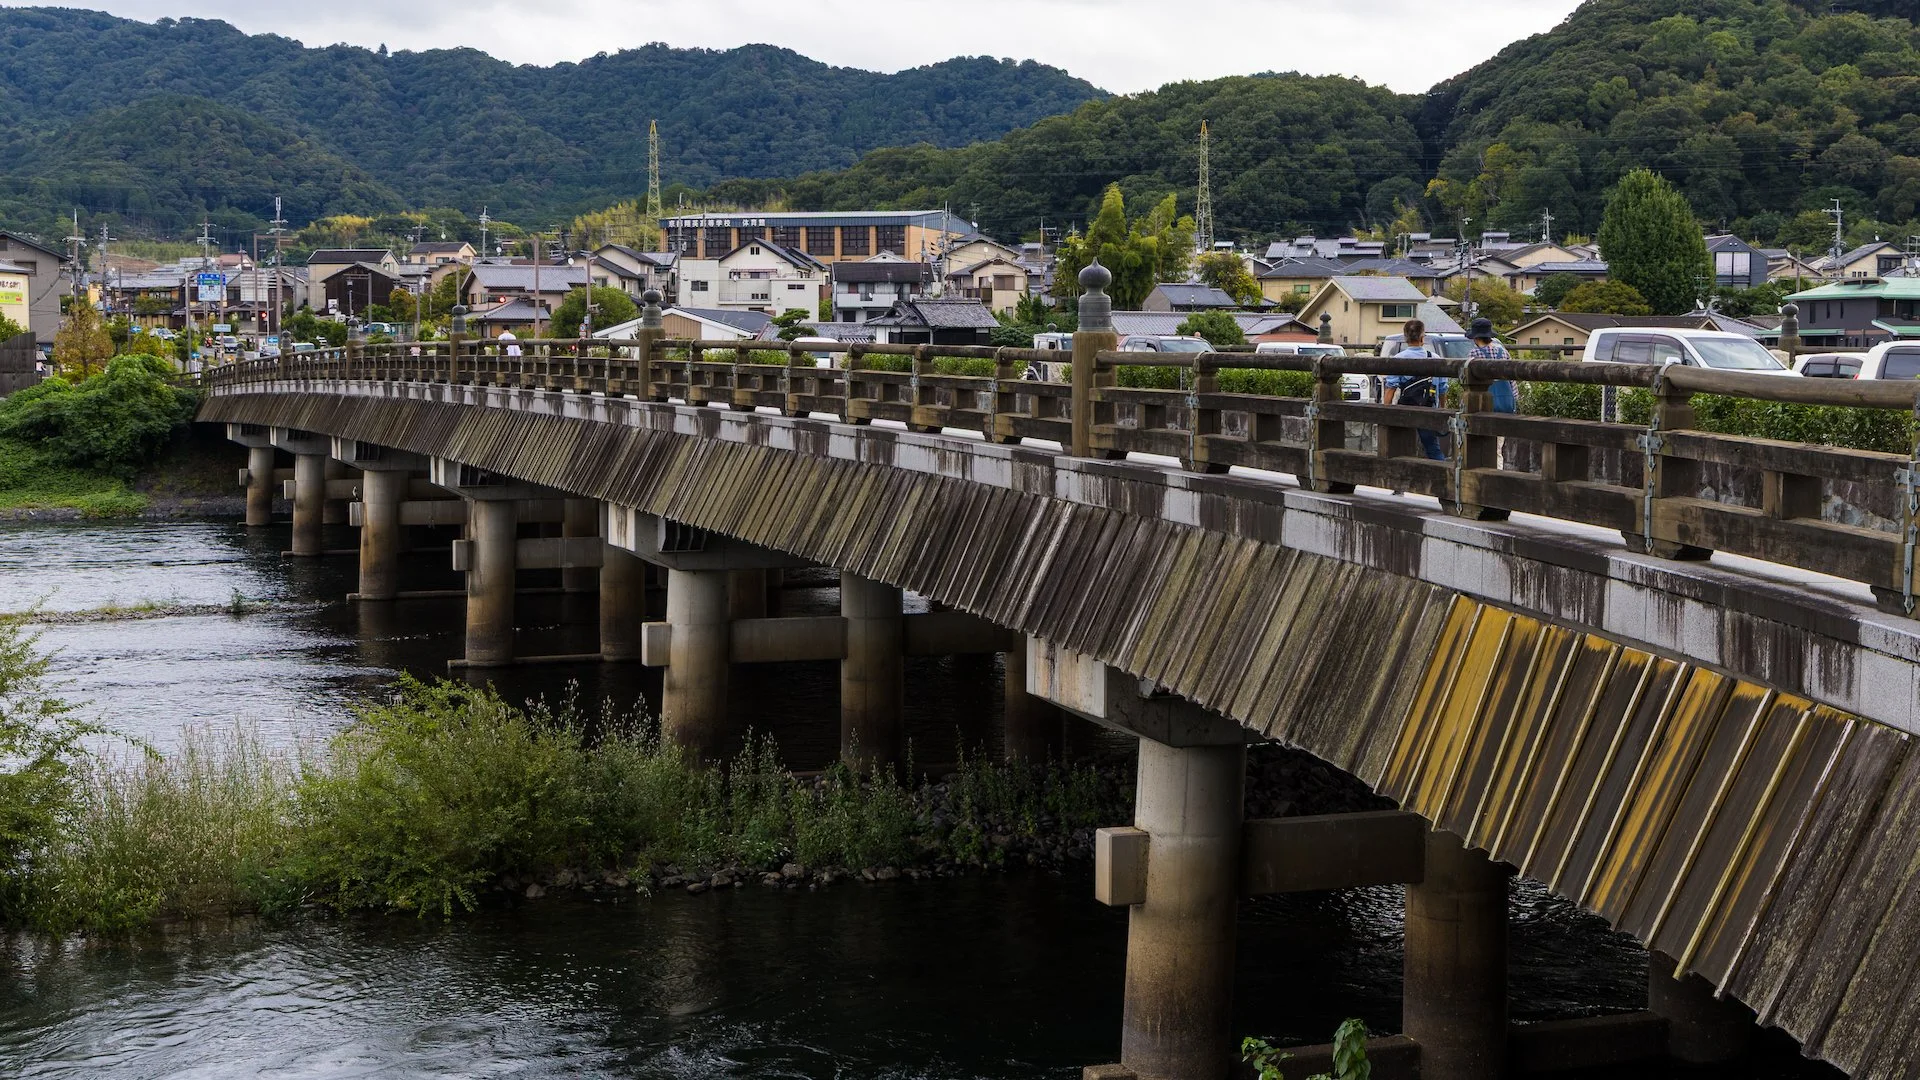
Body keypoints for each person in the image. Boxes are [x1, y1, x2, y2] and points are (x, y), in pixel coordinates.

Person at [1383, 319, 1448, 461]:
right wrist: (1442, 409)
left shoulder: (1398, 359)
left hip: (1405, 411)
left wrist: (1384, 411)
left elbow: (1391, 388)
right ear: (1422, 337)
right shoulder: (1435, 359)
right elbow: (1442, 389)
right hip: (1428, 410)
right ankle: (1443, 477)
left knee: (1400, 449)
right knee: (1433, 449)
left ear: (1406, 337)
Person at [1469, 318, 1518, 414]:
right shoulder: (1503, 351)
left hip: (1484, 400)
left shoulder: (1474, 353)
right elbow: (1512, 380)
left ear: (1476, 338)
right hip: (1506, 400)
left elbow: (1468, 378)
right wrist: (1515, 397)